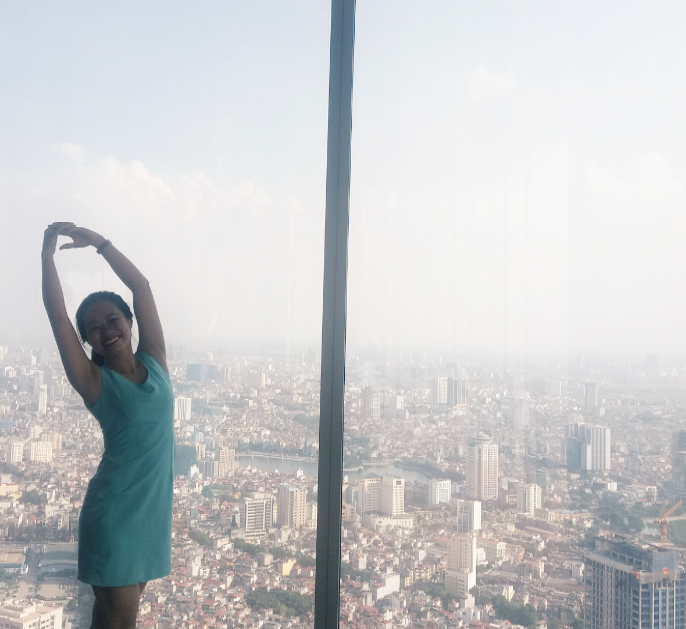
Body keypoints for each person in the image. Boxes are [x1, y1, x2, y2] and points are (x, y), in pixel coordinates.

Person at [41, 222, 174, 629]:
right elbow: (58, 316)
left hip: (150, 515)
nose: (106, 331)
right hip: (114, 517)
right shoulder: (94, 381)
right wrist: (47, 255)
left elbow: (142, 287)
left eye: (113, 320)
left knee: (108, 621)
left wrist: (100, 243)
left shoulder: (155, 358)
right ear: (88, 341)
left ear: (130, 321)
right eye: (94, 329)